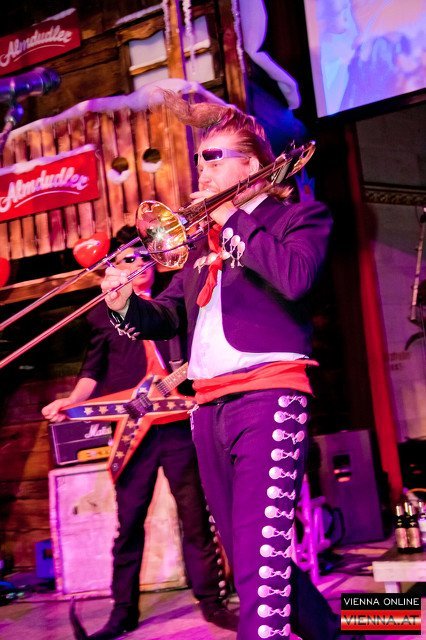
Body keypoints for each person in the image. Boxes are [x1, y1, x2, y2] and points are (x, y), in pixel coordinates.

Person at [100, 96, 365, 640]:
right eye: (200, 160)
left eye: (216, 157)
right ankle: (355, 627)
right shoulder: (203, 242)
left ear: (252, 165)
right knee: (253, 556)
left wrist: (232, 217)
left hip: (269, 399)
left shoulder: (298, 217)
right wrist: (124, 304)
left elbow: (295, 277)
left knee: (259, 568)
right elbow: (169, 315)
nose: (203, 170)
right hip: (207, 410)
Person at [42, 226, 237, 640]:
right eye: (129, 258)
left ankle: (212, 603)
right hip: (134, 429)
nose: (140, 264)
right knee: (129, 522)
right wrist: (69, 403)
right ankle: (122, 613)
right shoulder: (101, 314)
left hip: (178, 422)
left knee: (195, 517)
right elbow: (92, 370)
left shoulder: (176, 298)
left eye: (145, 257)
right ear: (112, 266)